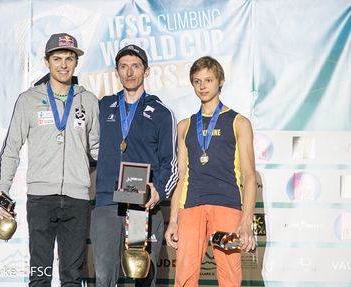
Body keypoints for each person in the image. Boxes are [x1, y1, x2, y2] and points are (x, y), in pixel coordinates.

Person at [0, 32, 99, 287]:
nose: (63, 64)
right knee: (40, 275)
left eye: (69, 58)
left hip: (77, 199)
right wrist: (2, 192)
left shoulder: (89, 100)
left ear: (76, 62)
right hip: (41, 199)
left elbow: (97, 149)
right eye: (57, 58)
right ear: (47, 61)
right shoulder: (29, 100)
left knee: (72, 277)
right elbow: (11, 148)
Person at [164, 56, 257, 287]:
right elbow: (181, 174)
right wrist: (173, 218)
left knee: (230, 277)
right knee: (184, 277)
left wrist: (246, 222)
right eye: (197, 81)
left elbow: (249, 175)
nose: (202, 86)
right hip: (191, 206)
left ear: (221, 81)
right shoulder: (184, 126)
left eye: (208, 80)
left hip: (227, 205)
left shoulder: (239, 122)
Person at [91, 44, 178, 287]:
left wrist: (157, 192)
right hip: (107, 204)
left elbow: (170, 164)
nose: (130, 72)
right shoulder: (102, 107)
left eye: (136, 66)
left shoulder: (162, 113)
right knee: (104, 279)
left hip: (142, 207)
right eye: (124, 67)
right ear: (116, 72)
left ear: (146, 71)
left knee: (142, 277)